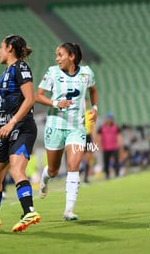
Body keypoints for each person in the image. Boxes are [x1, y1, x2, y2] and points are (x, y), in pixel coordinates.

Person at [0, 35, 40, 233]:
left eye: (1, 47)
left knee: (16, 169)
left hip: (21, 128)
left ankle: (29, 211)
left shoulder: (21, 68)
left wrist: (12, 122)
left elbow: (29, 99)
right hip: (5, 129)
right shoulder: (6, 72)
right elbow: (10, 103)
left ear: (10, 48)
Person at [35, 42, 98, 221]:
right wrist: (56, 103)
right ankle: (45, 179)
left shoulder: (86, 73)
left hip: (76, 129)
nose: (57, 58)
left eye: (60, 55)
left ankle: (68, 210)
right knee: (54, 170)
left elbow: (93, 90)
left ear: (71, 56)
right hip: (55, 126)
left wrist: (94, 107)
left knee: (73, 166)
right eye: (56, 55)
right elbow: (37, 96)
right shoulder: (52, 72)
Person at [97, 113, 121, 179]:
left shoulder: (115, 127)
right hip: (105, 147)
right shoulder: (102, 128)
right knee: (106, 162)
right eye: (108, 118)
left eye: (111, 118)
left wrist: (120, 144)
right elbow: (99, 137)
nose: (109, 120)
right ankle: (107, 175)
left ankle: (117, 173)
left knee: (116, 161)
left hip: (114, 147)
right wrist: (100, 146)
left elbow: (119, 136)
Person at [80, 99, 97, 183]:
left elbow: (93, 128)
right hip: (79, 137)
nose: (85, 104)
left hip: (88, 136)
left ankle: (86, 177)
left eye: (85, 103)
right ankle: (76, 175)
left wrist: (94, 141)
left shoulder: (90, 113)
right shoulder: (77, 114)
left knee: (87, 157)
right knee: (78, 157)